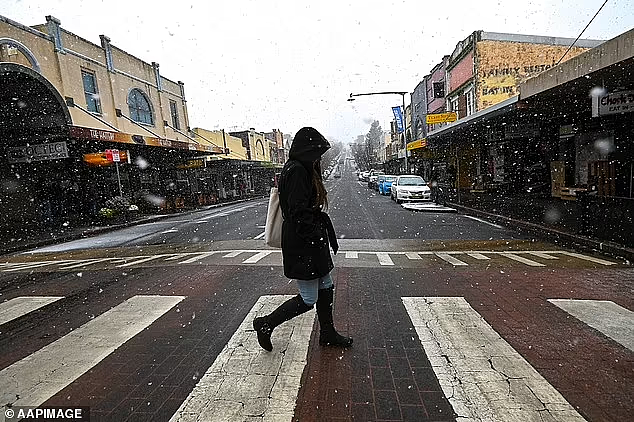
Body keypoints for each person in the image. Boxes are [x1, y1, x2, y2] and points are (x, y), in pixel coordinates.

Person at [253, 127, 353, 351]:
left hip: (309, 240)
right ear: (307, 151)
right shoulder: (297, 170)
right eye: (316, 152)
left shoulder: (300, 168)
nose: (319, 157)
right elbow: (298, 212)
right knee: (308, 299)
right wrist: (315, 238)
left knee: (326, 286)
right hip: (303, 243)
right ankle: (266, 324)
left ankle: (327, 333)